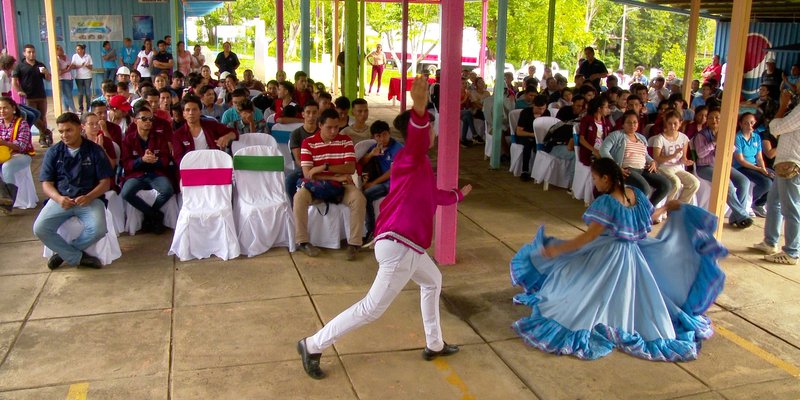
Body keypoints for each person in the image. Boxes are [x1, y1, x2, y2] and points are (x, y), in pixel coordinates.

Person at [297, 77, 471, 379]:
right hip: (399, 244)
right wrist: (419, 109)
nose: (431, 133)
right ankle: (312, 344)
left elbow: (432, 195)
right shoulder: (410, 156)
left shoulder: (419, 164)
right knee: (371, 309)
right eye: (428, 129)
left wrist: (457, 196)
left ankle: (435, 343)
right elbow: (417, 140)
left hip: (410, 245)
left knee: (433, 281)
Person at [510, 157, 726, 361]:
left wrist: (559, 249)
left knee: (577, 285)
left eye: (595, 178)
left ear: (606, 178)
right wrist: (666, 207)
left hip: (608, 255)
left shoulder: (606, 203)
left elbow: (588, 237)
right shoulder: (637, 195)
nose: (594, 182)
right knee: (633, 296)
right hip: (633, 256)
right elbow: (649, 218)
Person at [33, 112, 113, 269]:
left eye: (68, 130)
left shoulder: (95, 151)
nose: (64, 135)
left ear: (80, 128)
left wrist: (89, 197)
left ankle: (64, 254)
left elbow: (105, 183)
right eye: (61, 131)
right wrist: (58, 198)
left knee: (99, 230)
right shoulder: (54, 152)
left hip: (89, 200)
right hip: (62, 200)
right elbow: (46, 184)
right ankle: (78, 257)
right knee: (40, 228)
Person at [293, 108, 366, 260]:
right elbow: (308, 174)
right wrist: (337, 177)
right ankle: (302, 242)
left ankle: (354, 244)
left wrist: (324, 167)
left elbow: (350, 167)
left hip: (342, 185)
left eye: (336, 127)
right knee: (299, 198)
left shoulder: (345, 140)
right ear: (320, 125)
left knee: (359, 199)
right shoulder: (308, 143)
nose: (334, 131)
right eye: (329, 127)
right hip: (316, 186)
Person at [757, 90, 800, 265]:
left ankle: (791, 251)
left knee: (791, 209)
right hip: (785, 163)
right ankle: (770, 242)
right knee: (774, 202)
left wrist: (782, 106)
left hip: (791, 163)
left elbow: (775, 128)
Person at [693, 108, 753, 228]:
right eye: (710, 118)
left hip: (722, 165)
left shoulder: (726, 133)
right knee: (728, 184)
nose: (713, 120)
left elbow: (732, 150)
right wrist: (714, 143)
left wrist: (725, 143)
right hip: (705, 167)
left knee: (744, 182)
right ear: (707, 120)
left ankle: (735, 216)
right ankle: (742, 215)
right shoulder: (701, 135)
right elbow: (700, 154)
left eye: (717, 118)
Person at [120, 106, 174, 234]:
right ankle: (155, 216)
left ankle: (149, 215)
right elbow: (126, 163)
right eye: (144, 118)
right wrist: (141, 160)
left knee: (168, 190)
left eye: (150, 119)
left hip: (156, 173)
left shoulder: (159, 138)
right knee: (126, 193)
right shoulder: (128, 139)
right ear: (135, 120)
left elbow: (166, 158)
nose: (148, 121)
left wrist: (155, 161)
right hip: (136, 175)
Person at [601, 111, 672, 206]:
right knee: (644, 188)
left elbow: (645, 154)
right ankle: (638, 211)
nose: (632, 125)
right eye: (629, 122)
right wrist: (616, 167)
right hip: (627, 170)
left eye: (635, 122)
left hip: (643, 169)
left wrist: (652, 161)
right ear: (623, 124)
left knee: (666, 185)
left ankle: (649, 209)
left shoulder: (641, 137)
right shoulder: (616, 135)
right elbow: (603, 150)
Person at [360, 120, 403, 240]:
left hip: (396, 183)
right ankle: (372, 230)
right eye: (378, 136)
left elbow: (392, 172)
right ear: (373, 137)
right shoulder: (375, 147)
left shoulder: (398, 148)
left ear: (389, 133)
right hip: (383, 183)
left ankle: (379, 231)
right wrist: (370, 155)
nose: (382, 138)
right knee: (364, 196)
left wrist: (373, 183)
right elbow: (360, 162)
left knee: (368, 194)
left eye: (384, 134)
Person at [172, 95, 237, 168]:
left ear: (200, 112)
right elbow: (178, 159)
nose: (191, 113)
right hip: (191, 169)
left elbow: (234, 133)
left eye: (194, 109)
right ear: (183, 114)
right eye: (187, 110)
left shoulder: (212, 125)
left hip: (213, 166)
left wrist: (227, 137)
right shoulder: (178, 134)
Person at [650, 109, 698, 203]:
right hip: (663, 168)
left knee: (695, 183)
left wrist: (685, 161)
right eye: (669, 123)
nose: (672, 126)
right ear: (666, 123)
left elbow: (683, 157)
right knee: (676, 183)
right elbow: (657, 159)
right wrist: (673, 155)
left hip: (677, 167)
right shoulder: (660, 139)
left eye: (675, 123)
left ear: (680, 123)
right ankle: (667, 206)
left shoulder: (684, 138)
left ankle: (680, 205)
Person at [12, 44, 53, 147]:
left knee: (43, 117)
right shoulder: (20, 66)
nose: (31, 54)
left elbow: (48, 79)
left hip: (41, 95)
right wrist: (19, 91)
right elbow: (14, 82)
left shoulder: (40, 65)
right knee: (34, 117)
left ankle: (42, 138)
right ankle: (47, 132)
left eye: (33, 52)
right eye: (29, 52)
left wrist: (46, 72)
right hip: (29, 97)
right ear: (24, 53)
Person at [733, 112, 773, 217]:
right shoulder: (737, 137)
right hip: (741, 167)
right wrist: (759, 169)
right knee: (766, 183)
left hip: (755, 166)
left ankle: (759, 204)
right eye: (746, 123)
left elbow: (759, 157)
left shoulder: (756, 137)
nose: (749, 126)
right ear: (741, 124)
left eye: (751, 123)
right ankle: (750, 203)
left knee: (776, 178)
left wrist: (763, 168)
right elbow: (741, 160)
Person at [0, 96, 34, 213]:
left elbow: (22, 146)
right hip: (3, 155)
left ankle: (8, 201)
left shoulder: (21, 123)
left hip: (22, 155)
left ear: (13, 108)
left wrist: (4, 143)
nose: (2, 111)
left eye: (5, 108)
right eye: (0, 108)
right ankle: (4, 197)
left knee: (7, 167)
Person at [287, 102, 320, 202]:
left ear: (318, 114)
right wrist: (310, 171)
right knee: (289, 180)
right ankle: (293, 208)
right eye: (308, 112)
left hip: (321, 167)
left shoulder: (323, 132)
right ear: (303, 114)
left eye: (314, 113)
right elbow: (298, 159)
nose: (311, 116)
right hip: (302, 168)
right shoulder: (296, 134)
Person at [516, 95, 551, 181]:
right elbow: (519, 132)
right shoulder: (526, 113)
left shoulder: (547, 113)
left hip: (540, 137)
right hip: (526, 135)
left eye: (543, 108)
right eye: (539, 109)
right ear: (533, 105)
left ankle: (540, 170)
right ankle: (525, 170)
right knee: (528, 145)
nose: (541, 111)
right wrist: (532, 134)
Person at [577, 96, 614, 167]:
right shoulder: (587, 120)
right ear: (599, 109)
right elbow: (581, 139)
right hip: (590, 153)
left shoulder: (606, 121)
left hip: (603, 151)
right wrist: (594, 150)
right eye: (606, 107)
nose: (608, 110)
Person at [55, 45, 76, 113]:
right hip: (63, 79)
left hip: (70, 77)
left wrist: (71, 66)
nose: (62, 51)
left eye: (62, 49)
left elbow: (70, 64)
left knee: (65, 95)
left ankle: (66, 109)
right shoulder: (56, 59)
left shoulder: (66, 56)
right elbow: (58, 72)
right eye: (59, 50)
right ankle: (74, 110)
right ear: (56, 51)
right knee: (68, 95)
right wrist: (67, 70)